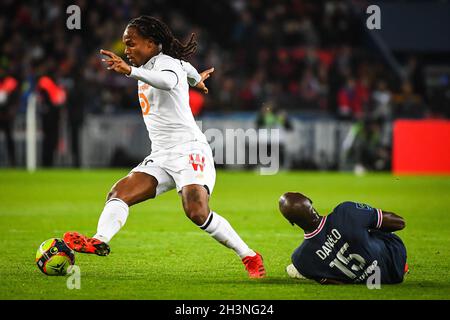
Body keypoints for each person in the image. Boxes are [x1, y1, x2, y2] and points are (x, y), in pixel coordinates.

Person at [63, 16, 266, 278]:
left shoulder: (165, 64)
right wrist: (196, 80)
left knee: (196, 211)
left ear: (151, 43)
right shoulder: (167, 64)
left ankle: (249, 256)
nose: (127, 50)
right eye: (126, 45)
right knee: (119, 192)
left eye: (131, 44)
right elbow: (188, 69)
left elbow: (169, 80)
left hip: (190, 150)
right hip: (161, 155)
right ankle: (100, 239)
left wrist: (130, 71)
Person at [278, 192, 408, 284]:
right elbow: (400, 223)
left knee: (318, 268)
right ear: (311, 202)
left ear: (291, 222)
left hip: (375, 281)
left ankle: (306, 273)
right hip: (396, 258)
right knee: (366, 223)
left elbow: (336, 283)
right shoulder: (345, 211)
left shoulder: (301, 259)